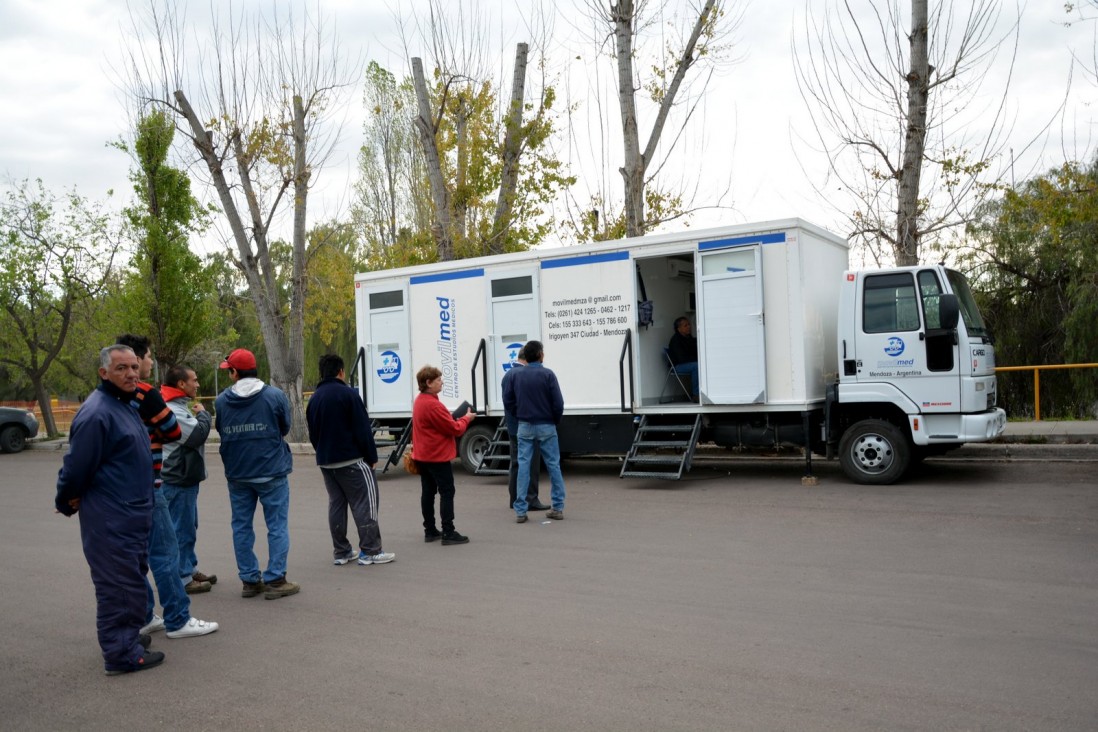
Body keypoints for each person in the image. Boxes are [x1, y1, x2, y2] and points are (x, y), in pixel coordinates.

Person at [55, 345, 163, 675]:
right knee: (119, 587)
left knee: (130, 580)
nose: (131, 373)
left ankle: (127, 640)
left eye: (133, 366)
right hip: (112, 517)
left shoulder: (124, 404)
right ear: (104, 373)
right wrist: (66, 498)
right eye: (121, 368)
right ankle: (121, 655)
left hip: (131, 513)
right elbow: (76, 467)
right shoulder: (97, 412)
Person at [116, 334, 218, 641]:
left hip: (122, 488)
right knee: (165, 552)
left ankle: (145, 614)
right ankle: (178, 619)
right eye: (146, 358)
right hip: (150, 483)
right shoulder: (146, 395)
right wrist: (202, 417)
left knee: (137, 556)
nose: (148, 364)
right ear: (133, 361)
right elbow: (175, 432)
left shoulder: (107, 399)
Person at [215, 348, 300, 600]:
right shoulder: (274, 396)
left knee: (241, 526)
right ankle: (276, 578)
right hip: (272, 471)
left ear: (234, 372)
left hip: (238, 473)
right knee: (277, 525)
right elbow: (284, 426)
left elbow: (221, 429)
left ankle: (250, 580)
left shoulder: (221, 401)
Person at [305, 353, 395, 567]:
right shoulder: (348, 394)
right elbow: (362, 429)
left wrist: (323, 452)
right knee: (366, 502)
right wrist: (371, 456)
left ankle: (342, 551)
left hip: (327, 462)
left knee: (337, 504)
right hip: (352, 460)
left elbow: (313, 432)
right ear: (341, 372)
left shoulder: (314, 398)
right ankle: (371, 550)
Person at [161, 364, 218, 591]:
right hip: (177, 478)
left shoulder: (178, 406)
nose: (198, 384)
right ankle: (183, 577)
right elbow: (197, 435)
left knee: (188, 526)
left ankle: (189, 567)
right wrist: (204, 414)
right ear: (181, 384)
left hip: (184, 477)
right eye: (194, 380)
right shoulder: (173, 410)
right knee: (181, 529)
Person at [502, 340, 567, 523]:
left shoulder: (515, 375)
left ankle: (521, 510)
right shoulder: (548, 374)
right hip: (546, 424)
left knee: (523, 466)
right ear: (540, 355)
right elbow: (558, 403)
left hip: (524, 425)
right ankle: (557, 507)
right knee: (553, 465)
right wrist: (555, 420)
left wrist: (519, 414)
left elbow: (508, 401)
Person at [411, 365, 475, 545]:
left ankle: (430, 530)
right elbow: (455, 429)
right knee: (447, 491)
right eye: (438, 380)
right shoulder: (433, 404)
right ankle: (448, 531)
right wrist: (466, 419)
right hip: (436, 456)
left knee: (428, 493)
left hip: (423, 455)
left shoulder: (420, 400)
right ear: (428, 383)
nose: (442, 382)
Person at [501, 350, 548, 511]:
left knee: (516, 463)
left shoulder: (509, 374)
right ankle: (531, 499)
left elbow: (508, 403)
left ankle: (515, 499)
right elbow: (514, 403)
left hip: (514, 426)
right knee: (532, 463)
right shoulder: (519, 374)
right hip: (525, 426)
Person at [667, 316, 699, 399]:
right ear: (679, 329)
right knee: (697, 366)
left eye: (689, 324)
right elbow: (682, 359)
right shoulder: (676, 340)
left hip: (687, 363)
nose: (689, 327)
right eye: (685, 325)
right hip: (677, 366)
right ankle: (696, 395)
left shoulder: (689, 338)